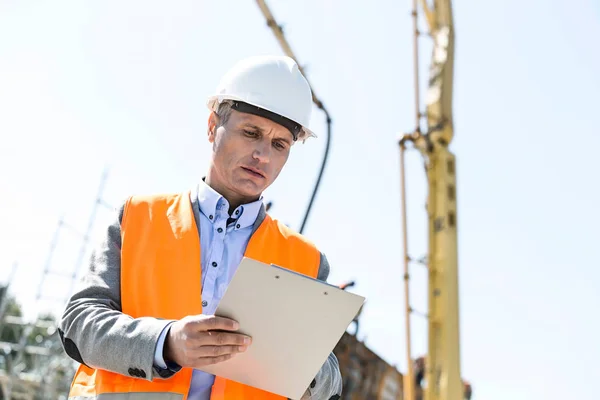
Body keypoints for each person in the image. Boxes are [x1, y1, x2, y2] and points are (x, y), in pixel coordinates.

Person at [58, 55, 343, 400]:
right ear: (212, 126)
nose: (263, 155)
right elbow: (78, 325)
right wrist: (167, 342)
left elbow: (331, 385)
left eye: (279, 144)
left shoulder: (307, 260)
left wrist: (299, 361)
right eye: (251, 133)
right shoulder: (138, 217)